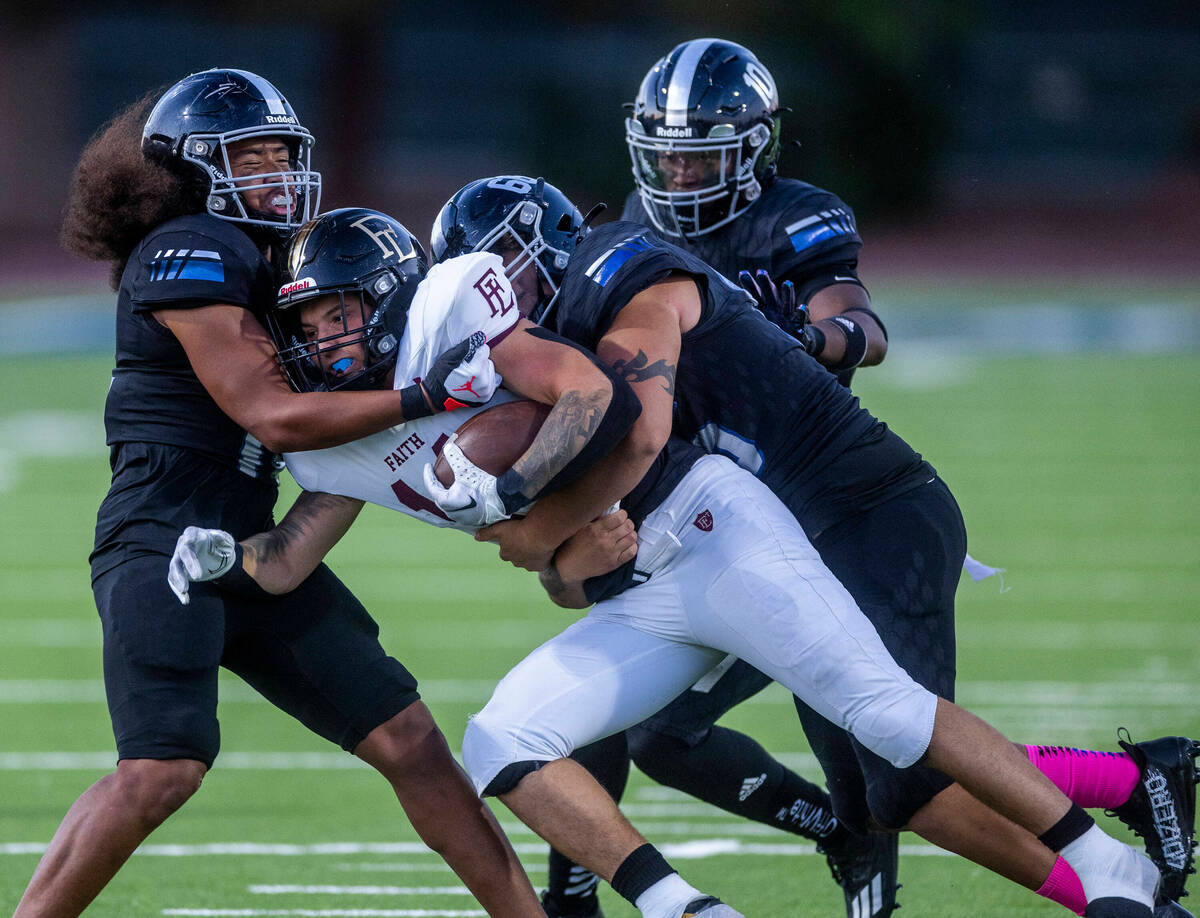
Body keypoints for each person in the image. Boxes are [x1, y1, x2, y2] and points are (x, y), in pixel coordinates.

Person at [174, 195, 1160, 918]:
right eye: (308, 323)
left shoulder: (467, 324)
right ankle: (680, 905)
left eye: (338, 312)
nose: (324, 338)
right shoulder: (341, 444)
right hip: (643, 589)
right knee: (503, 739)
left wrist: (525, 503)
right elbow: (305, 558)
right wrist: (219, 558)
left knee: (886, 718)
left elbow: (597, 400)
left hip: (713, 527)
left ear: (395, 294)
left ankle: (1106, 865)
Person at [430, 174, 1197, 918]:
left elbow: (643, 436)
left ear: (543, 247)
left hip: (860, 513)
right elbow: (574, 574)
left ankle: (1124, 804)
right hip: (736, 547)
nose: (484, 300)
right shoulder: (543, 363)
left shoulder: (619, 273)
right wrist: (562, 557)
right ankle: (800, 857)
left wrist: (525, 517)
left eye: (494, 273)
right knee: (690, 743)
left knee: (904, 776)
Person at [13, 70, 546, 918]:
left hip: (254, 547)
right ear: (187, 169)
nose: (275, 174)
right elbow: (275, 417)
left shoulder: (272, 258)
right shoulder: (188, 247)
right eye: (249, 157)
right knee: (161, 768)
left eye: (280, 155)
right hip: (163, 537)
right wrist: (427, 397)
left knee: (409, 738)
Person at [538, 36, 896, 918]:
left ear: (754, 148)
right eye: (666, 155)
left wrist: (805, 337)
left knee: (869, 739)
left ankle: (1115, 784)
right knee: (614, 700)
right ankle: (573, 898)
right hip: (686, 504)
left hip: (801, 509)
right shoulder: (639, 219)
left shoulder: (797, 218)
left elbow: (864, 330)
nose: (679, 173)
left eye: (700, 157)